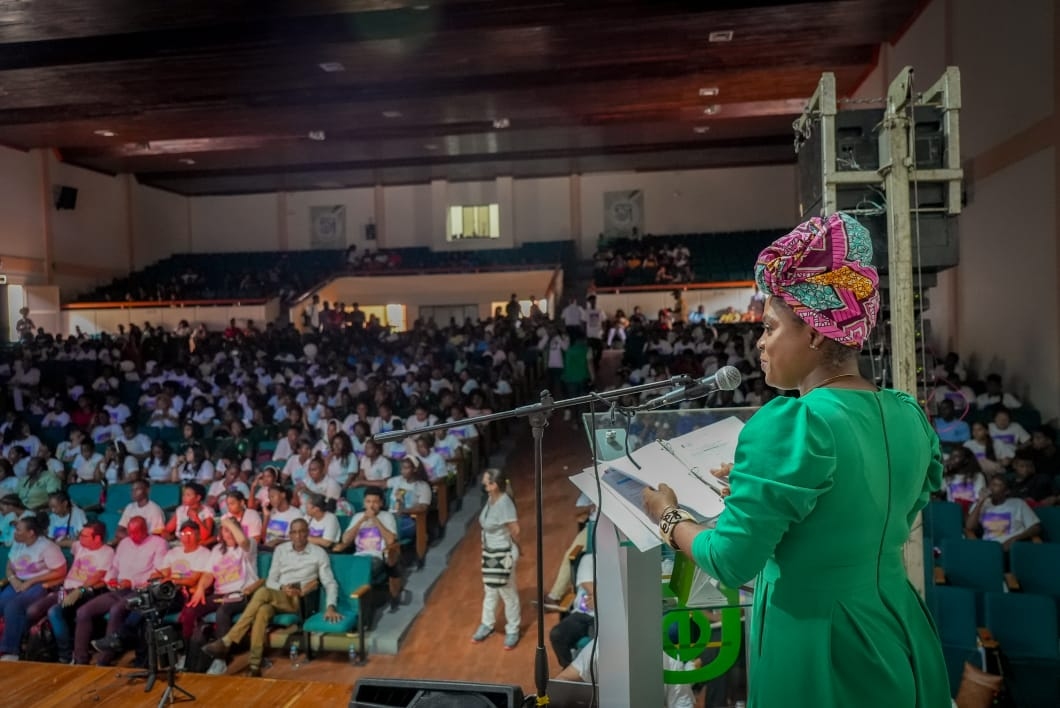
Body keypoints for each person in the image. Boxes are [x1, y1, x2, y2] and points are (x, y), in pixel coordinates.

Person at [643, 212, 949, 708]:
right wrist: (761, 492)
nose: (759, 342)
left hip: (818, 640)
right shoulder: (907, 415)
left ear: (813, 334)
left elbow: (729, 559)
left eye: (768, 327)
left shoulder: (795, 424)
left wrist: (667, 514)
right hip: (895, 622)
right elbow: (879, 509)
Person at [201, 518, 342, 677]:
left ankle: (227, 641)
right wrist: (282, 587)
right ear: (289, 534)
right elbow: (271, 580)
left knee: (262, 593)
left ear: (308, 533)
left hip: (300, 597)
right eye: (294, 532)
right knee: (262, 610)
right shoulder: (281, 550)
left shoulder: (318, 553)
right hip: (280, 592)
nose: (298, 536)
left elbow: (329, 582)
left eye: (302, 531)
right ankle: (255, 666)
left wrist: (331, 606)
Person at [0, 512, 68, 660]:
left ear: (31, 533)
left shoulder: (48, 547)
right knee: (1, 602)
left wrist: (31, 581)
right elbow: (9, 565)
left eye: (18, 530)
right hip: (18, 582)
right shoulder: (18, 543)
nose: (15, 533)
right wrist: (13, 579)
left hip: (41, 584)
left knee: (13, 606)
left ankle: (10, 651)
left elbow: (60, 571)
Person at [471, 467, 521, 650]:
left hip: (503, 553)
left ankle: (513, 629)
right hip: (490, 552)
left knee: (508, 593)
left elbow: (515, 529)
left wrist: (511, 552)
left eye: (486, 481)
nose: (483, 483)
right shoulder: (491, 499)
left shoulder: (504, 503)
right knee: (490, 591)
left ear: (494, 485)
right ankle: (487, 624)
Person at [334, 486, 403, 612]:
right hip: (358, 556)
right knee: (338, 570)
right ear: (364, 502)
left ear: (381, 503)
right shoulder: (358, 516)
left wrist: (375, 520)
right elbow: (345, 540)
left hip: (377, 557)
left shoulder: (387, 517)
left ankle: (360, 608)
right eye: (368, 502)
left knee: (360, 571)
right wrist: (362, 521)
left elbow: (391, 541)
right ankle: (344, 604)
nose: (371, 506)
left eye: (375, 502)